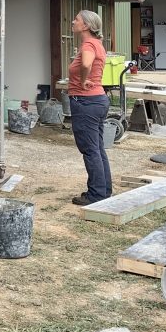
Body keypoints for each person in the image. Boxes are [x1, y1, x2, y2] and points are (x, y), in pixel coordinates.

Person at [68, 10, 112, 206]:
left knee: (90, 149)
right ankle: (104, 189)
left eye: (76, 19)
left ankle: (96, 195)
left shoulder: (88, 44)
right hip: (98, 100)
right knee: (97, 148)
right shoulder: (98, 44)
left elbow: (86, 63)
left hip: (85, 101)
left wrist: (84, 80)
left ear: (85, 26)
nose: (73, 21)